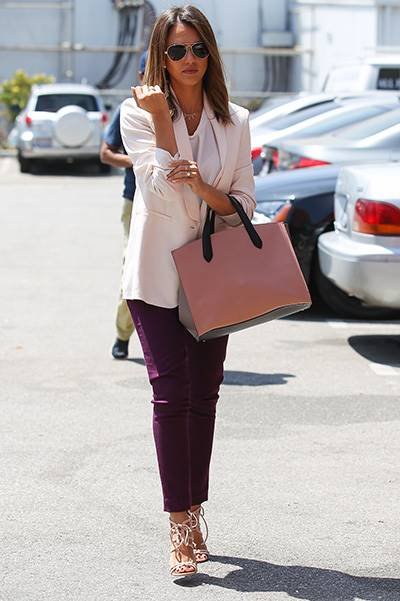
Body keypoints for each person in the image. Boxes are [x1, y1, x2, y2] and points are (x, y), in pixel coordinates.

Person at [120, 5, 255, 578]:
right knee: (171, 395)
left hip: (212, 279)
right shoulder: (137, 113)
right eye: (177, 50)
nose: (189, 60)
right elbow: (161, 197)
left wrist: (204, 183)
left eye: (198, 48)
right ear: (160, 56)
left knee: (205, 397)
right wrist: (163, 123)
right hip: (154, 277)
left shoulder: (236, 120)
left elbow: (244, 205)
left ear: (211, 53)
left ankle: (195, 507)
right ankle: (179, 522)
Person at [100, 51, 147, 359]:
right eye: (148, 72)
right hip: (136, 200)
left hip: (176, 203)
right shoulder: (129, 109)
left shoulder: (180, 107)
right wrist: (139, 162)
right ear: (141, 75)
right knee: (134, 269)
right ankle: (122, 334)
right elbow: (105, 152)